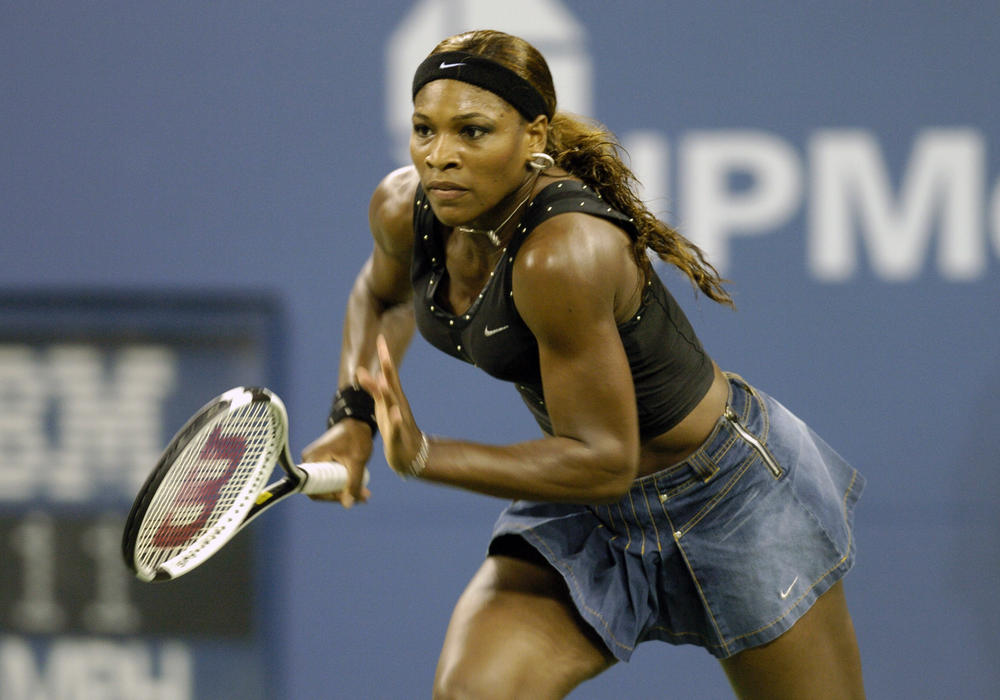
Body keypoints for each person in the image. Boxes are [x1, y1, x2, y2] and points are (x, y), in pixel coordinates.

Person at [302, 29, 866, 700]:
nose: (440, 156)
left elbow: (605, 459)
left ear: (532, 134)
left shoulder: (563, 253)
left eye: (473, 132)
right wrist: (355, 414)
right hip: (588, 511)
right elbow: (380, 295)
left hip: (729, 497)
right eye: (425, 130)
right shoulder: (405, 209)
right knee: (476, 693)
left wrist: (424, 455)